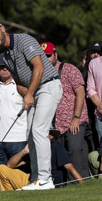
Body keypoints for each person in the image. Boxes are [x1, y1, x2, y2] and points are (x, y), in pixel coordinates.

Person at [0, 20, 62, 190]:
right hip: (34, 91)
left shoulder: (24, 40)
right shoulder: (5, 56)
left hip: (49, 85)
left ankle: (45, 179)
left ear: (2, 29)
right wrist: (26, 94)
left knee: (39, 130)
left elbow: (39, 67)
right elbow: (18, 83)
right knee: (30, 134)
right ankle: (36, 178)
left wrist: (30, 94)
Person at [41, 42, 90, 178]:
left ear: (56, 54)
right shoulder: (40, 74)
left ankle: (80, 184)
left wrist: (76, 117)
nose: (46, 59)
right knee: (59, 156)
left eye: (48, 55)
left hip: (74, 120)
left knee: (74, 150)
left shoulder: (69, 69)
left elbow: (80, 93)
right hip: (56, 125)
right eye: (43, 56)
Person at [0, 130, 82, 191]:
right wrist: (24, 151)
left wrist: (82, 183)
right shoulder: (34, 147)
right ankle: (11, 196)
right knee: (2, 168)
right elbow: (10, 165)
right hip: (31, 180)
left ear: (51, 136)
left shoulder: (55, 146)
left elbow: (69, 167)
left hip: (48, 182)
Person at [0, 54, 27, 165]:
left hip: (19, 138)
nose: (4, 68)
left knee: (19, 175)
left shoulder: (22, 85)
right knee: (0, 173)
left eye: (8, 66)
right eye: (1, 66)